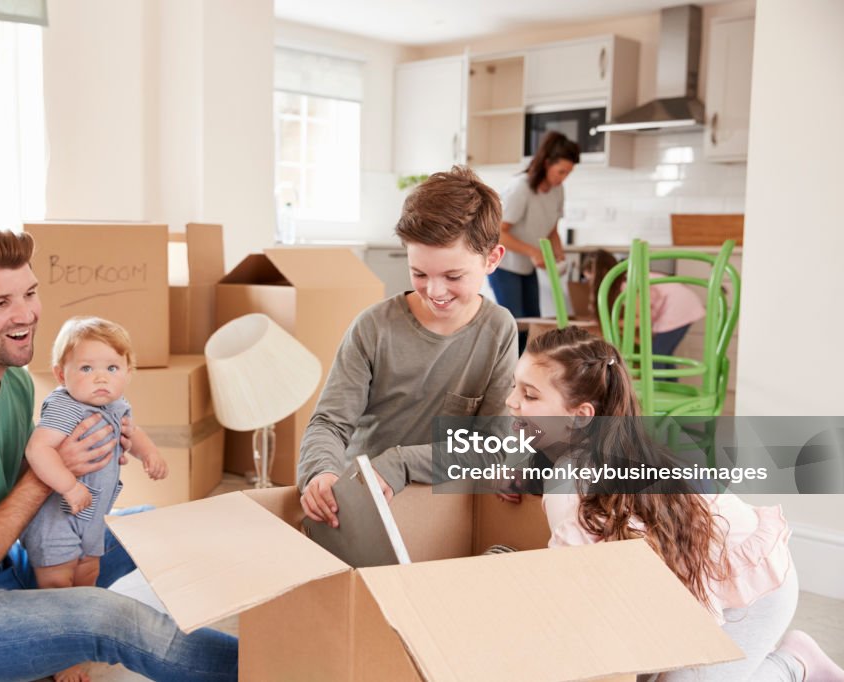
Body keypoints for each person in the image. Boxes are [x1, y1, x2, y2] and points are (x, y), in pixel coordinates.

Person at [0, 228, 237, 681]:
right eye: (0, 303)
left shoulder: (13, 381)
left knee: (151, 524)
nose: (25, 314)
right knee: (107, 619)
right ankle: (285, 668)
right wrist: (51, 474)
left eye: (29, 293)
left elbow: (25, 490)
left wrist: (99, 451)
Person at [502, 326, 843, 681]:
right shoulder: (597, 448)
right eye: (514, 385)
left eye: (530, 395)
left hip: (750, 593)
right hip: (709, 575)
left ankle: (793, 664)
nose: (511, 401)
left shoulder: (574, 483)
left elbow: (573, 587)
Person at [297, 165, 519, 527]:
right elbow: (329, 423)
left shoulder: (498, 329)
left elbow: (491, 445)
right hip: (362, 505)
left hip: (446, 507)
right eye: (419, 274)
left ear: (492, 259)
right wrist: (319, 472)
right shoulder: (373, 328)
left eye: (453, 276)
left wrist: (401, 462)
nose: (435, 291)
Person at [22, 316, 168, 682]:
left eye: (112, 367)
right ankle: (59, 659)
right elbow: (38, 450)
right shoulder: (64, 407)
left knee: (88, 576)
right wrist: (69, 486)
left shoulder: (118, 406)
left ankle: (79, 635)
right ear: (61, 374)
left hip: (93, 518)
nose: (101, 378)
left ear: (128, 372)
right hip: (57, 519)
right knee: (57, 589)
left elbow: (132, 435)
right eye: (86, 368)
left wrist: (149, 453)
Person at [488, 130, 580, 354]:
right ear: (547, 163)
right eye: (561, 171)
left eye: (568, 173)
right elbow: (498, 232)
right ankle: (509, 380)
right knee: (515, 326)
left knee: (532, 324)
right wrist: (533, 252)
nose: (563, 177)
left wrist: (557, 253)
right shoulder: (521, 188)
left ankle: (525, 378)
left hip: (526, 266)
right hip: (505, 266)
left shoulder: (557, 190)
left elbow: (552, 229)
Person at [587, 248, 706, 378]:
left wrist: (614, 324)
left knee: (655, 357)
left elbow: (642, 319)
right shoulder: (628, 280)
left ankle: (657, 394)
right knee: (662, 355)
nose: (588, 282)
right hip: (683, 304)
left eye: (589, 278)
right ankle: (671, 390)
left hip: (678, 307)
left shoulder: (627, 285)